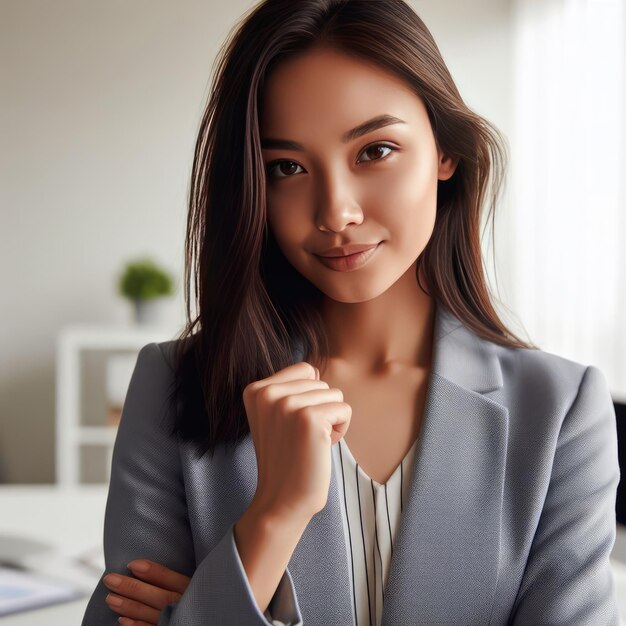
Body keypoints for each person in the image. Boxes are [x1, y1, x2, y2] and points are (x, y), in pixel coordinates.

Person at [81, 0, 622, 624]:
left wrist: (205, 600)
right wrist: (274, 515)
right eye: (286, 167)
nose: (336, 212)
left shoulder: (561, 411)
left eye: (375, 151)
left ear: (445, 152)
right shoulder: (174, 385)